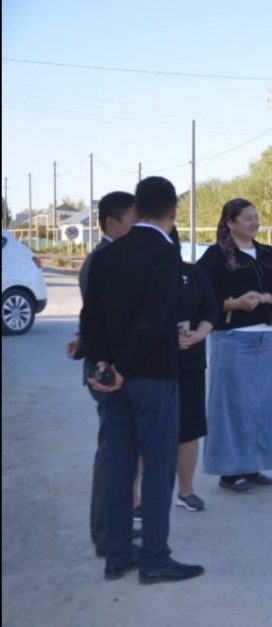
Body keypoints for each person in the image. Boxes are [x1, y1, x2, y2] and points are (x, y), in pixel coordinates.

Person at [80, 176, 204, 584]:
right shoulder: (165, 253)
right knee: (157, 467)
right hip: (152, 376)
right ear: (173, 210)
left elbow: (91, 317)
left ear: (136, 207)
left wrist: (103, 365)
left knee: (120, 466)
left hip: (110, 378)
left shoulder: (107, 254)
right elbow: (154, 317)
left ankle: (117, 554)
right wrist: (125, 366)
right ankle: (154, 558)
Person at [197, 198, 272, 493]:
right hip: (233, 339)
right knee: (231, 406)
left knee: (261, 406)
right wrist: (233, 304)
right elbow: (200, 297)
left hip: (266, 337)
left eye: (256, 217)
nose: (255, 223)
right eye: (248, 218)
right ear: (230, 222)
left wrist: (267, 298)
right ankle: (229, 472)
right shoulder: (216, 256)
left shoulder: (266, 253)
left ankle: (253, 466)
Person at [66, 191, 136, 555]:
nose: (138, 228)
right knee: (113, 453)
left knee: (120, 452)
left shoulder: (113, 257)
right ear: (112, 223)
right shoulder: (104, 260)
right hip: (106, 371)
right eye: (133, 221)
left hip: (107, 364)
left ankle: (113, 529)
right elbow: (102, 320)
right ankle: (106, 534)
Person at [170, 227, 219, 511]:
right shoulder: (140, 274)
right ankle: (135, 498)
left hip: (189, 362)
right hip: (149, 363)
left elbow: (211, 310)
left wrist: (200, 334)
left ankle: (186, 491)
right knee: (143, 431)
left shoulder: (193, 274)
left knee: (189, 429)